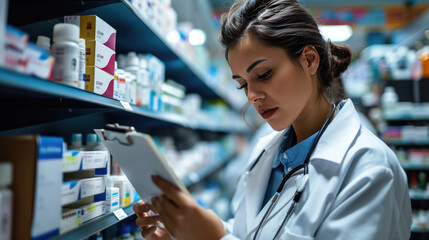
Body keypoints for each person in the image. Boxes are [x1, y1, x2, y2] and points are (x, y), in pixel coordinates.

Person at [133, 0, 412, 239]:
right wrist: (186, 233)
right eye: (243, 84)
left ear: (310, 60)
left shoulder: (368, 169)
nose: (253, 95)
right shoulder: (265, 153)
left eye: (264, 74)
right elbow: (253, 232)